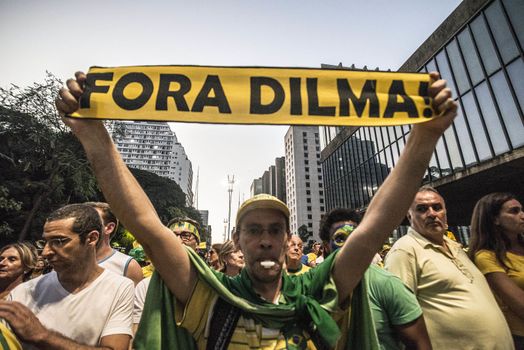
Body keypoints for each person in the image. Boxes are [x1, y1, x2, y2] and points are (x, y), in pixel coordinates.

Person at [56, 70, 457, 349]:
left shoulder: (317, 289)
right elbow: (146, 225)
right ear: (238, 242)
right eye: (253, 231)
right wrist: (93, 135)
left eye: (274, 231)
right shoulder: (211, 295)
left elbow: (373, 228)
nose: (265, 240)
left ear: (287, 240)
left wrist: (424, 137)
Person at [385, 186, 513, 349]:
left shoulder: (456, 247)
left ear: (445, 212)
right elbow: (397, 316)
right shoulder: (404, 251)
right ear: (409, 216)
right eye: (422, 209)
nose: (432, 214)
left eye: (437, 208)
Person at [0, 204, 134, 349]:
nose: (46, 252)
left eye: (58, 241)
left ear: (92, 238)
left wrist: (42, 336)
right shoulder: (23, 292)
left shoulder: (119, 288)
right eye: (45, 241)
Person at [319, 208, 431, 350]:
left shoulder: (387, 284)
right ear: (326, 246)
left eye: (355, 237)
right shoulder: (314, 286)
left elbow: (420, 344)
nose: (350, 245)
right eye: (340, 239)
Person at [468, 193, 524, 349]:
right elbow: (519, 304)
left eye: (521, 210)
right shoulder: (486, 257)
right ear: (495, 219)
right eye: (514, 211)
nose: (522, 215)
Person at [86, 201, 144, 285]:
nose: (83, 226)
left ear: (109, 228)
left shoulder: (128, 266)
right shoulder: (66, 260)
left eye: (91, 221)